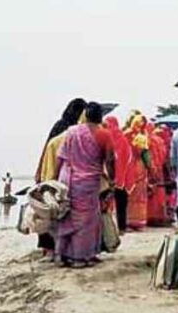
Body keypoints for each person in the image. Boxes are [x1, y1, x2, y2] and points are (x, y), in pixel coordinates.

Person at [55, 103, 115, 268]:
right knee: (86, 221)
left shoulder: (72, 132)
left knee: (66, 217)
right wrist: (112, 180)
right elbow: (110, 160)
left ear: (85, 116)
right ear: (100, 117)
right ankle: (80, 257)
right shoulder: (104, 134)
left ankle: (61, 255)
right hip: (89, 183)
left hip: (68, 180)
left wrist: (53, 179)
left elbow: (60, 157)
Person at [35, 98, 87, 256]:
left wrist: (40, 171)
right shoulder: (75, 130)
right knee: (61, 211)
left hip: (52, 172)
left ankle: (49, 249)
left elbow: (47, 148)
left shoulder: (60, 126)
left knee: (50, 210)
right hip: (64, 174)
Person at [103, 116, 133, 233]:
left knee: (105, 203)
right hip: (121, 177)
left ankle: (109, 229)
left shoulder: (106, 137)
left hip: (109, 175)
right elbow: (126, 158)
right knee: (121, 203)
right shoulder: (122, 138)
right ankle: (121, 227)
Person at [124, 113, 153, 231]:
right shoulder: (142, 137)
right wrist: (150, 167)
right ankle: (137, 221)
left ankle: (128, 220)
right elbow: (146, 154)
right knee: (139, 194)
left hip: (128, 166)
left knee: (130, 194)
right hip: (139, 166)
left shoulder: (125, 134)